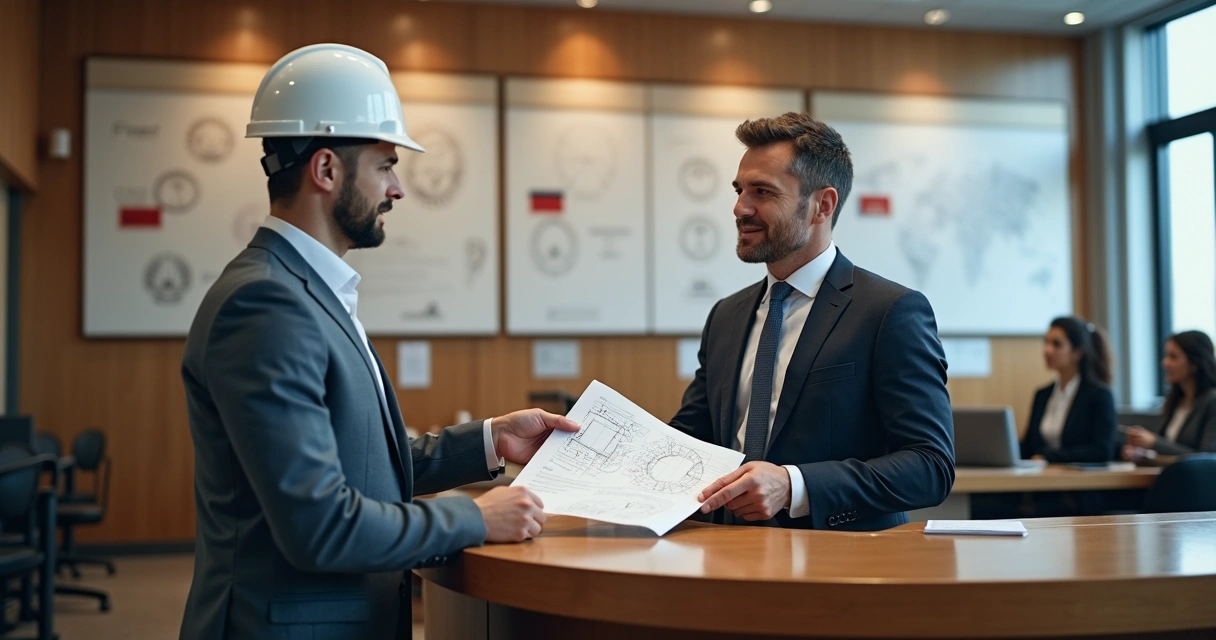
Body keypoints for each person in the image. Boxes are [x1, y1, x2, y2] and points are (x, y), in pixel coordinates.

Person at [179, 44, 577, 640]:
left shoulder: (306, 289)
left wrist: (491, 440)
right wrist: (471, 517)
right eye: (386, 166)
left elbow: (363, 469)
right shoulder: (265, 305)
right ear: (326, 170)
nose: (398, 189)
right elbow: (319, 525)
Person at [669, 112, 954, 532]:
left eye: (762, 192)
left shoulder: (890, 312)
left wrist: (793, 485)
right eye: (739, 190)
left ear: (822, 205)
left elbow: (930, 466)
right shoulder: (726, 316)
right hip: (726, 557)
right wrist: (585, 447)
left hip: (840, 569)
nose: (740, 208)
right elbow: (690, 438)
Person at [1019, 317, 1117, 463]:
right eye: (1046, 342)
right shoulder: (1042, 395)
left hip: (1080, 481)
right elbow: (1028, 446)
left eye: (1056, 344)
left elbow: (1102, 450)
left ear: (1077, 353)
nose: (1047, 350)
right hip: (1042, 478)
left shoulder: (1098, 395)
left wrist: (1048, 457)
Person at [1124, 330, 1216, 460]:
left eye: (1173, 357)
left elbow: (1207, 458)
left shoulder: (1212, 401)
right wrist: (1143, 454)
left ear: (1194, 363)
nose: (1165, 363)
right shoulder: (1174, 401)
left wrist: (1154, 443)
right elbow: (1169, 454)